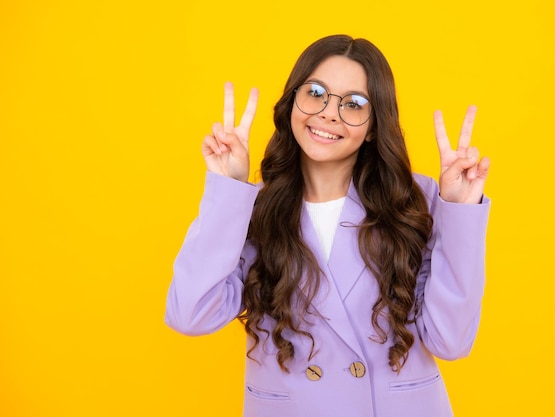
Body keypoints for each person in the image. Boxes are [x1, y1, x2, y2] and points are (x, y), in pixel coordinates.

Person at [165, 34, 491, 417]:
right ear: (292, 103)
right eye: (315, 92)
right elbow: (190, 314)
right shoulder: (252, 208)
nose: (329, 113)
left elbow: (450, 341)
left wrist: (460, 210)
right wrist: (228, 189)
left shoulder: (415, 201)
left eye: (353, 104)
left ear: (373, 126)